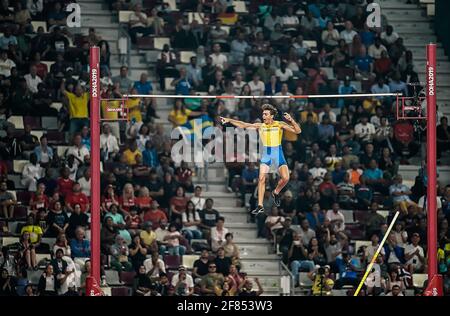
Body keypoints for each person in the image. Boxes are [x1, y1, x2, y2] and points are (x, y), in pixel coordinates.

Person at [220, 104, 301, 215]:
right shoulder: (260, 126)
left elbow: (298, 131)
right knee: (261, 178)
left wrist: (291, 120)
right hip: (266, 154)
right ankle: (260, 205)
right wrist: (229, 120)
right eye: (263, 113)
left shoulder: (279, 124)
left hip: (278, 153)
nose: (263, 115)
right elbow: (244, 125)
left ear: (271, 116)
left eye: (265, 114)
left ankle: (276, 192)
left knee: (286, 178)